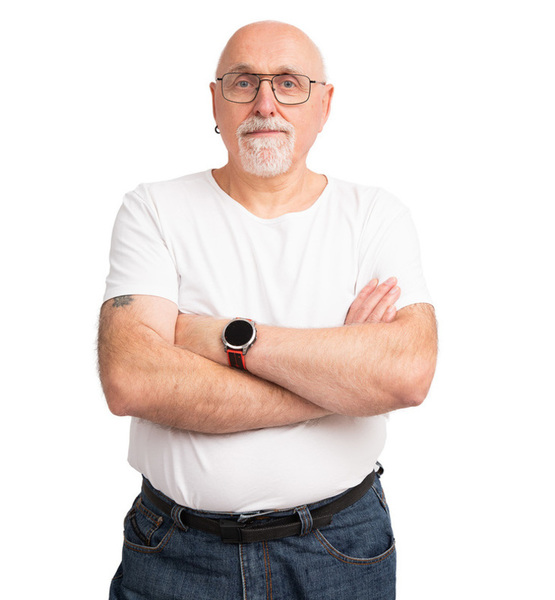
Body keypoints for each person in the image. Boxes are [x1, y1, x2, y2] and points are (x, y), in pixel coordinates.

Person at [98, 20, 437, 600]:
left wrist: (221, 339)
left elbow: (406, 374)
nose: (265, 103)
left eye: (289, 83)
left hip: (339, 548)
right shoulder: (154, 209)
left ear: (324, 104)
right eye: (243, 82)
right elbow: (131, 379)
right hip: (177, 552)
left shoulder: (374, 216)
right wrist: (340, 382)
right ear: (215, 100)